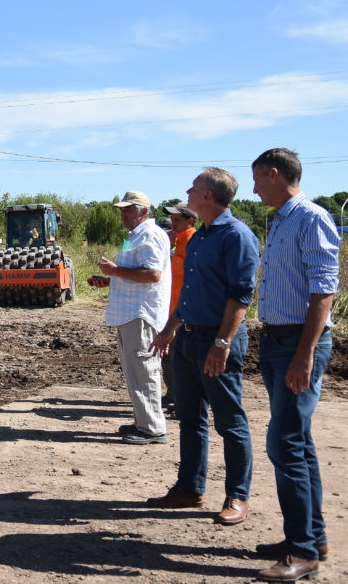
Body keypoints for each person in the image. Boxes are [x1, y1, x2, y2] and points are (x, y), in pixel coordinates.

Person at [149, 168, 259, 526]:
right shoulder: (198, 237)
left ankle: (237, 495)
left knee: (229, 420)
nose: (188, 191)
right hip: (188, 338)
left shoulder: (237, 236)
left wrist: (223, 343)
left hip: (217, 340)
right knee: (189, 416)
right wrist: (170, 329)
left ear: (209, 196)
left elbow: (240, 296)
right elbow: (190, 293)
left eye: (194, 187)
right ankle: (190, 488)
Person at [250, 148, 340, 582]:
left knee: (284, 444)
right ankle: (310, 537)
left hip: (298, 345)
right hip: (277, 341)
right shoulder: (283, 219)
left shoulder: (311, 217)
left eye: (257, 179)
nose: (253, 188)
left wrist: (304, 354)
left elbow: (324, 291)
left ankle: (303, 552)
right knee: (297, 443)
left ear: (273, 173)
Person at [92, 190, 171, 444]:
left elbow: (153, 274)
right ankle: (143, 421)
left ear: (143, 211)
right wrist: (110, 279)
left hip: (141, 313)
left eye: (128, 209)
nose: (123, 214)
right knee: (134, 370)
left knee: (143, 369)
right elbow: (134, 272)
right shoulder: (135, 236)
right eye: (122, 209)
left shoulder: (150, 234)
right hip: (130, 313)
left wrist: (116, 271)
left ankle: (152, 428)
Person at [161, 202, 198, 413]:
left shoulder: (194, 243)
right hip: (172, 312)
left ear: (190, 220)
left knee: (183, 362)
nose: (173, 225)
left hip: (186, 315)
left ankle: (183, 401)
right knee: (170, 357)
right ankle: (174, 395)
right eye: (172, 220)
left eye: (177, 220)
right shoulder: (178, 246)